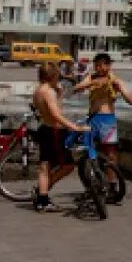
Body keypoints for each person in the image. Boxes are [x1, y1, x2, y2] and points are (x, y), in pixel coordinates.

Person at [73, 52, 132, 203]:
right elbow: (77, 88)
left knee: (111, 155)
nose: (99, 68)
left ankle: (112, 185)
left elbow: (131, 100)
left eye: (102, 65)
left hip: (107, 120)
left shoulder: (114, 80)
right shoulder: (91, 78)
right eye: (97, 65)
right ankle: (91, 186)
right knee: (89, 152)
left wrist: (120, 88)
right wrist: (91, 84)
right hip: (93, 118)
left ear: (108, 66)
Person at [32, 63, 90, 212]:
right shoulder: (48, 92)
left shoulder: (38, 91)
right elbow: (56, 114)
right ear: (53, 76)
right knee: (68, 165)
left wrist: (60, 94)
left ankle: (42, 199)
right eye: (58, 75)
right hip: (55, 131)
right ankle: (42, 193)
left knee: (44, 166)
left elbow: (48, 111)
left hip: (45, 128)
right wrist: (74, 127)